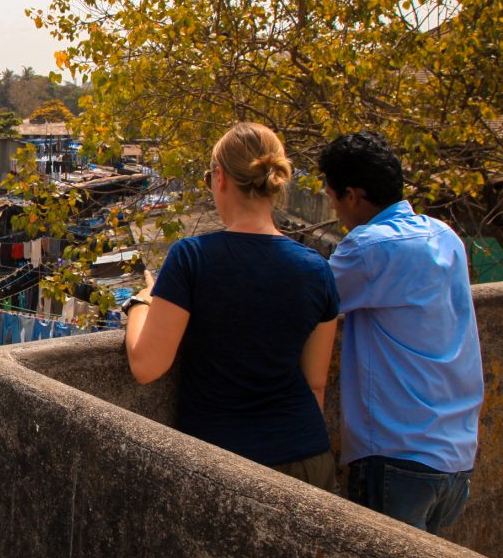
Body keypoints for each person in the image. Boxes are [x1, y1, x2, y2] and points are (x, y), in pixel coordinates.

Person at [124, 122, 340, 489]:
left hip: (224, 464)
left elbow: (146, 366)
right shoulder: (317, 269)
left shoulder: (191, 258)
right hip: (307, 454)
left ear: (220, 178)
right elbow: (316, 383)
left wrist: (142, 302)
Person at [318, 131, 484, 534]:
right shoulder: (444, 236)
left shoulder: (368, 249)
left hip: (399, 454)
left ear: (353, 195)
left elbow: (308, 297)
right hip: (456, 456)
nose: (335, 210)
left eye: (333, 198)